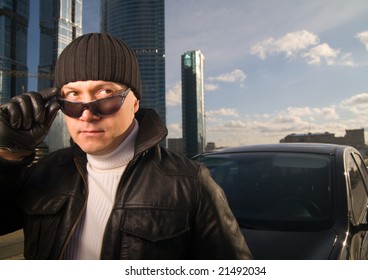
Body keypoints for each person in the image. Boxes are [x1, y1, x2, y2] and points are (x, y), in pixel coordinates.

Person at [0, 33, 252, 260]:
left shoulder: (191, 184)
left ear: (134, 103)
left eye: (104, 94)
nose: (86, 115)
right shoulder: (44, 172)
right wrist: (8, 154)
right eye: (73, 96)